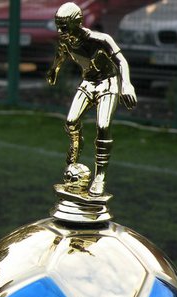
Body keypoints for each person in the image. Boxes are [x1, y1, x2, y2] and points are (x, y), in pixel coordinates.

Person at [47, 2, 137, 196]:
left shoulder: (100, 39)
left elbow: (121, 61)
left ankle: (100, 176)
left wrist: (126, 84)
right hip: (88, 83)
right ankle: (76, 147)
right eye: (58, 26)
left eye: (64, 27)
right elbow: (61, 54)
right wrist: (54, 69)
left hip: (108, 83)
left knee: (103, 126)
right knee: (71, 122)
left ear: (77, 23)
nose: (60, 31)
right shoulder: (66, 41)